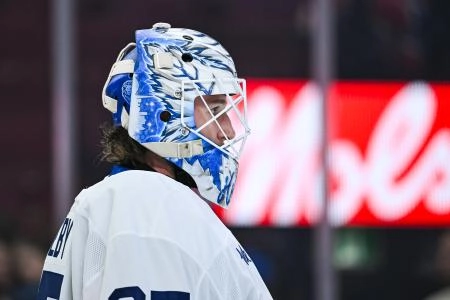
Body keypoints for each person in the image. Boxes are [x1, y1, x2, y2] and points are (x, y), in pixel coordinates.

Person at [37, 22, 273, 299]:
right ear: (167, 112)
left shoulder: (129, 199)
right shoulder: (149, 207)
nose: (229, 131)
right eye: (216, 109)